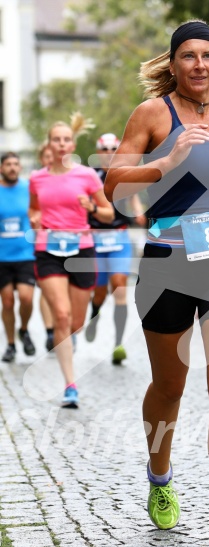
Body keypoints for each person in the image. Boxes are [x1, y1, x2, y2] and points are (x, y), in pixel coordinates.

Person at [104, 20, 209, 547]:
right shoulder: (153, 114)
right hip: (167, 261)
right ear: (173, 65)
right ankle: (159, 475)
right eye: (189, 56)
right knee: (169, 388)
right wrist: (166, 162)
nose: (200, 65)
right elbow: (112, 182)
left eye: (208, 56)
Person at [29, 114, 114, 408]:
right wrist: (34, 218)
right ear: (49, 145)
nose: (62, 144)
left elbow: (108, 214)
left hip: (82, 250)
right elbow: (34, 209)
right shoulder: (36, 178)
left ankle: (71, 337)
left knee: (75, 322)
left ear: (73, 144)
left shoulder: (87, 176)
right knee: (62, 317)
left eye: (66, 139)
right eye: (56, 139)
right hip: (48, 250)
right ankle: (70, 385)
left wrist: (91, 206)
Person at [85, 132, 146, 364]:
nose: (110, 153)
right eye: (105, 149)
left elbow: (133, 198)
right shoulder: (91, 176)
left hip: (119, 238)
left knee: (119, 287)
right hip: (96, 238)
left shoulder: (124, 174)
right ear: (99, 152)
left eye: (113, 149)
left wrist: (138, 211)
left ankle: (118, 343)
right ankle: (94, 315)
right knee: (99, 291)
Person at [0, 152, 36, 362]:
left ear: (20, 167)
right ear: (1, 168)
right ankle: (11, 344)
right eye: (8, 164)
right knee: (6, 302)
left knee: (26, 297)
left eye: (16, 164)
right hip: (2, 256)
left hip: (25, 253)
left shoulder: (29, 188)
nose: (12, 168)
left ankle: (24, 329)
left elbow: (39, 210)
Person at [36, 141, 55, 352]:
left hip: (69, 241)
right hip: (43, 240)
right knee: (45, 287)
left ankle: (64, 327)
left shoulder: (71, 178)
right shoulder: (37, 181)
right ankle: (50, 331)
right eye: (47, 157)